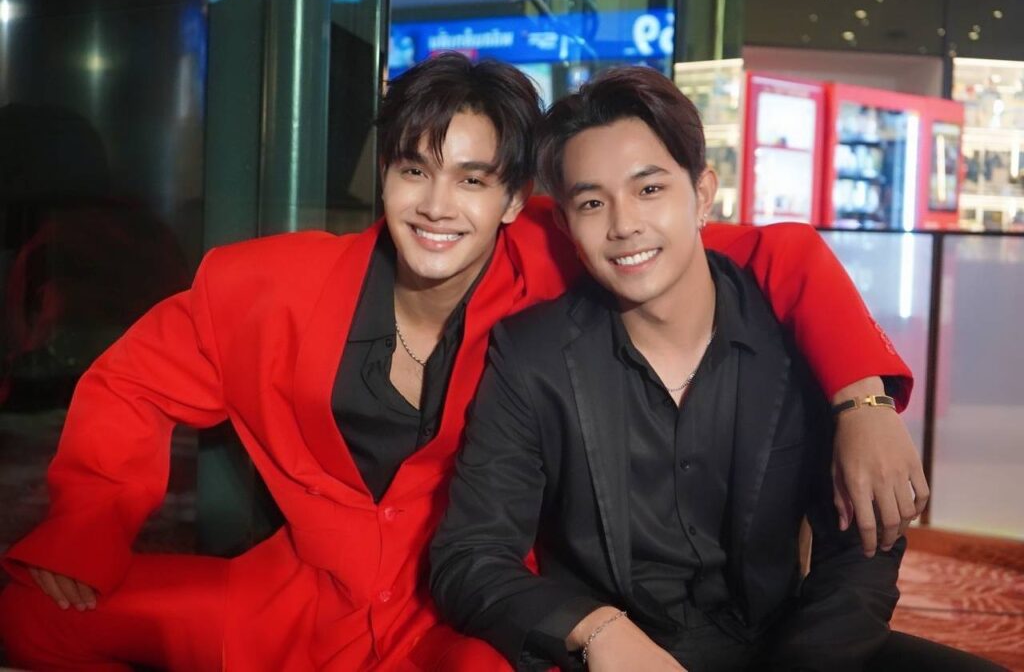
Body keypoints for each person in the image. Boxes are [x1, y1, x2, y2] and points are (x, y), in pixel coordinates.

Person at [1, 54, 922, 671]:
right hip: (297, 598)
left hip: (457, 614)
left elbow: (773, 255)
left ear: (515, 201)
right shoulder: (265, 288)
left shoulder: (558, 254)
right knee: (27, 614)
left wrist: (862, 400)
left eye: (473, 179)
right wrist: (87, 529)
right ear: (385, 179)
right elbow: (132, 381)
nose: (439, 206)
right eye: (414, 170)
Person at [429, 66, 1000, 671]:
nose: (624, 225)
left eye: (650, 189)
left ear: (702, 195)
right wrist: (597, 631)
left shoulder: (797, 335)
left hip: (789, 648)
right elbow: (471, 556)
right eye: (593, 202)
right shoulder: (532, 357)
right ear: (567, 225)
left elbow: (859, 551)